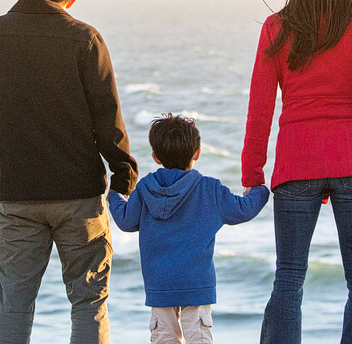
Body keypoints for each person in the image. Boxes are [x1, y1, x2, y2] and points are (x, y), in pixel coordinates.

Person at [0, 0, 139, 344]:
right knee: (88, 299)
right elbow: (107, 116)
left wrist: (3, 156)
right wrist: (123, 175)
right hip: (78, 193)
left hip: (16, 192)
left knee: (14, 300)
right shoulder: (86, 39)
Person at [241, 0, 352, 344]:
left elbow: (260, 109)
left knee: (289, 275)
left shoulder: (276, 27)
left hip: (296, 162)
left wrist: (253, 173)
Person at [106, 114, 271, 344]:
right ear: (197, 152)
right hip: (196, 285)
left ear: (155, 157)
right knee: (199, 339)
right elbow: (243, 209)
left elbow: (125, 221)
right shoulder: (209, 188)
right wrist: (260, 190)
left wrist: (114, 196)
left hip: (160, 285)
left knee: (164, 339)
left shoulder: (145, 188)